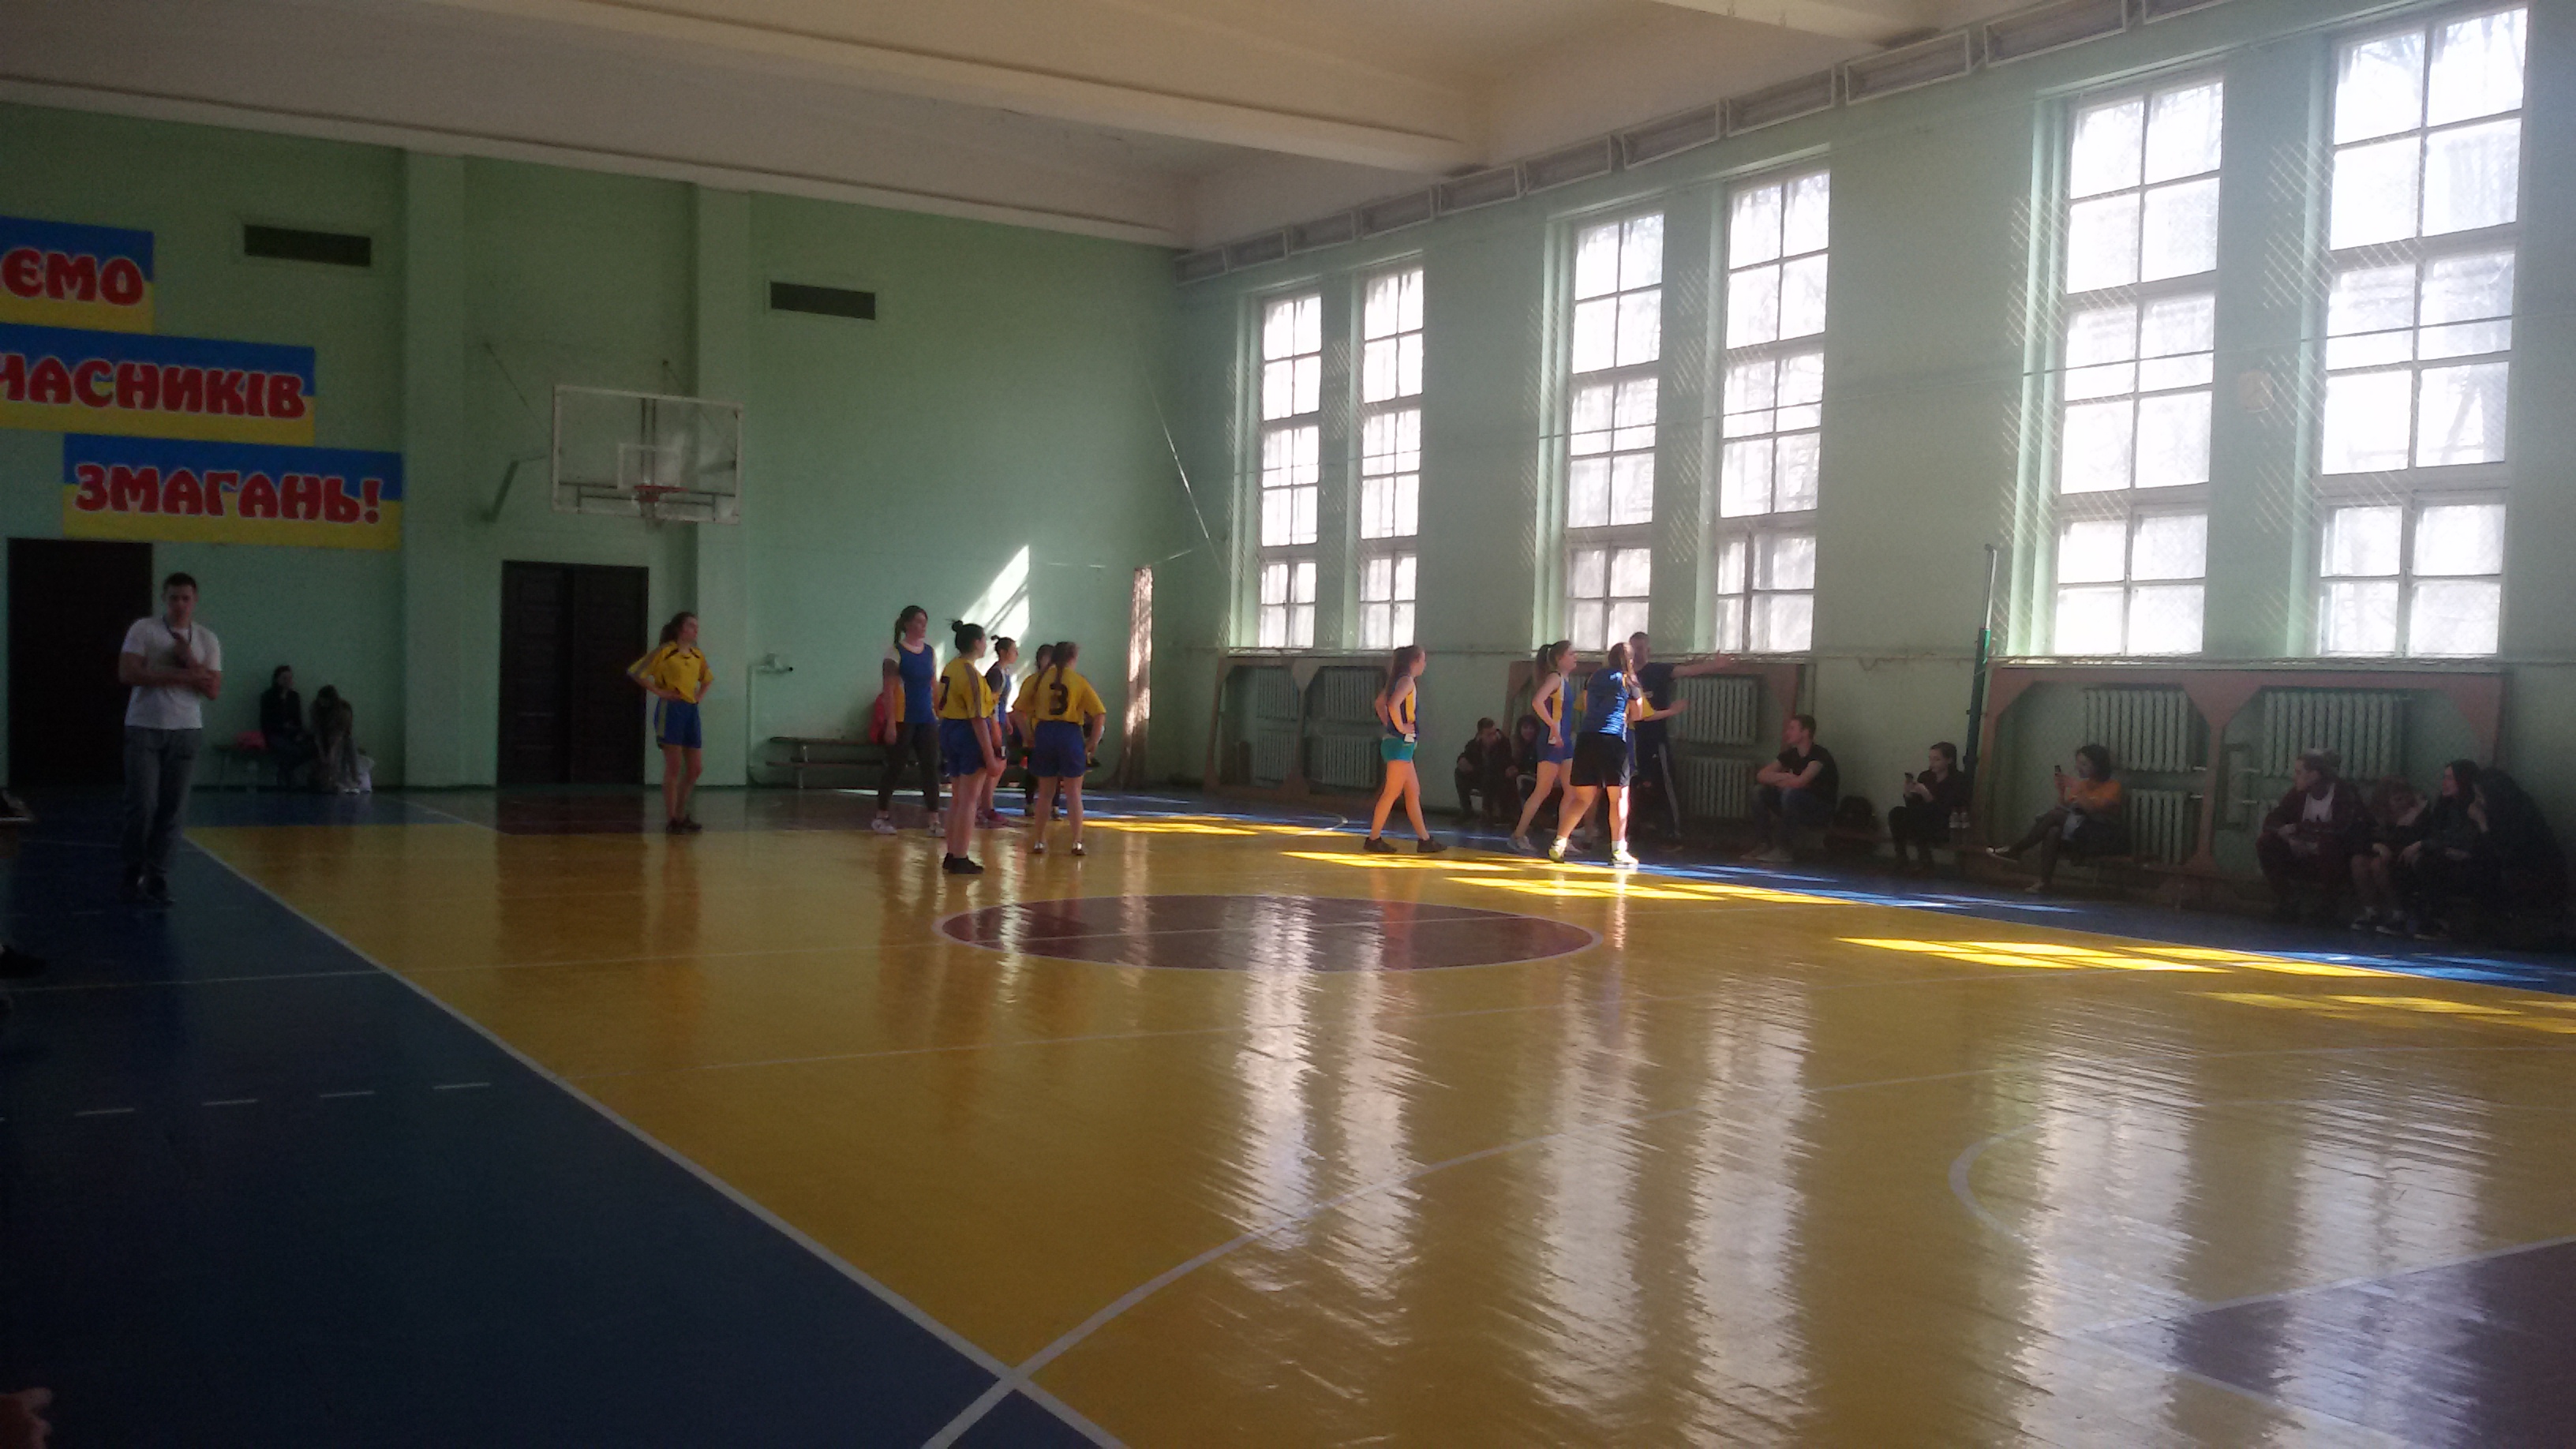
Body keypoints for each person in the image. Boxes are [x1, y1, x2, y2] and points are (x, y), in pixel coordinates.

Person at [118, 571, 221, 906]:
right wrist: (184, 675)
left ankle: (158, 874)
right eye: (174, 598)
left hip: (186, 730)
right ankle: (133, 867)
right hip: (144, 726)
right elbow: (128, 673)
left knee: (173, 807)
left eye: (185, 599)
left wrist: (190, 660)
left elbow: (212, 690)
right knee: (143, 803)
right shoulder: (143, 630)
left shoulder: (206, 639)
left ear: (195, 601)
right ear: (164, 599)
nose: (179, 604)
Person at [1549, 642, 1679, 869]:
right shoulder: (1629, 681)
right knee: (1618, 798)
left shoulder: (1594, 678)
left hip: (1587, 739)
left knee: (1582, 798)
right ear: (1630, 661)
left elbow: (1588, 705)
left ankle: (1559, 843)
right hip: (1613, 741)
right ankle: (1619, 850)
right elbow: (1638, 714)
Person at [1627, 633, 1733, 836]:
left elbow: (1688, 670)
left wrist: (1715, 665)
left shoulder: (1658, 671)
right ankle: (1632, 828)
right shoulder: (1626, 676)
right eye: (1633, 649)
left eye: (1640, 648)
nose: (1637, 653)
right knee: (1633, 783)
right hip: (1632, 738)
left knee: (1665, 782)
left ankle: (1674, 831)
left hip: (1655, 737)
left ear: (1648, 650)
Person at [1986, 743, 2123, 893]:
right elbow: (2064, 809)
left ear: (2098, 765)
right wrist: (2061, 791)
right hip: (2077, 834)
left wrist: (2076, 788)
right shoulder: (2083, 785)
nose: (2078, 767)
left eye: (2084, 764)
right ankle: (2044, 882)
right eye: (2078, 763)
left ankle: (2016, 850)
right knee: (2053, 831)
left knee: (2055, 816)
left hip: (2101, 836)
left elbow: (2092, 810)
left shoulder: (2113, 786)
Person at [2255, 749, 2370, 922]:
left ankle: (2329, 904)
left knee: (2328, 844)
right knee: (2266, 842)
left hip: (2335, 861)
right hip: (2301, 855)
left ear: (2314, 775)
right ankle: (2288, 899)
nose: (2294, 777)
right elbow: (2272, 820)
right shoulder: (2297, 794)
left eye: (2299, 772)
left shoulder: (2344, 793)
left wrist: (2299, 830)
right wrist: (2289, 837)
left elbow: (2342, 829)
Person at [629, 611, 713, 834]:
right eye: (691, 625)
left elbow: (707, 679)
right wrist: (660, 692)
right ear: (679, 629)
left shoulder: (697, 655)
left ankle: (681, 814)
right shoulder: (665, 651)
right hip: (671, 710)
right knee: (674, 766)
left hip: (690, 711)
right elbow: (636, 672)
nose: (696, 630)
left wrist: (699, 697)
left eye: (697, 626)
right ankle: (672, 819)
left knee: (695, 768)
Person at [1026, 640, 1108, 857]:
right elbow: (1099, 713)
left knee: (1045, 793)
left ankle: (1039, 841)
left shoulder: (1039, 680)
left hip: (1045, 733)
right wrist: (1092, 742)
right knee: (1074, 793)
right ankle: (1076, 843)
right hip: (1069, 734)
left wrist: (1027, 735)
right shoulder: (1078, 680)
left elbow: (1017, 710)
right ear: (1073, 658)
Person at [933, 620, 1001, 875]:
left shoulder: (950, 667)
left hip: (949, 729)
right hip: (967, 733)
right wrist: (990, 757)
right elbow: (978, 718)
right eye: (983, 640)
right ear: (976, 642)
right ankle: (960, 855)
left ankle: (952, 852)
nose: (985, 645)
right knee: (970, 799)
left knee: (958, 797)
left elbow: (938, 702)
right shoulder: (970, 674)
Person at [1365, 645, 1446, 855]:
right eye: (1423, 660)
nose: (1425, 664)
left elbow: (1380, 703)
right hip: (1400, 745)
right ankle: (1373, 839)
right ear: (1415, 661)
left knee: (1413, 791)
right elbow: (1392, 705)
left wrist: (1391, 725)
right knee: (1391, 793)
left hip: (1401, 745)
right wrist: (1400, 728)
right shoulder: (1407, 681)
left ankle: (1425, 839)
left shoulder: (1397, 680)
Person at [2395, 760, 2488, 938]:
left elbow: (2464, 839)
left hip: (2470, 863)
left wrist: (2425, 845)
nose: (2444, 783)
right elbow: (2433, 833)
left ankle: (2438, 920)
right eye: (2444, 778)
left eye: (2450, 779)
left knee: (2428, 864)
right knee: (2405, 857)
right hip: (2444, 854)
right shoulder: (2445, 805)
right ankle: (2402, 915)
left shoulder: (2473, 807)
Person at [874, 606, 942, 836]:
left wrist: (940, 713)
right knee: (896, 766)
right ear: (907, 624)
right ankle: (881, 816)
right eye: (919, 622)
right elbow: (889, 691)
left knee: (930, 767)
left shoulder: (930, 652)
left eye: (925, 622)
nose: (923, 627)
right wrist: (890, 724)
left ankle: (934, 820)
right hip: (903, 719)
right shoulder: (895, 653)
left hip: (926, 718)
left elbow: (933, 685)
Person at [1508, 641, 1578, 855]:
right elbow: (1537, 702)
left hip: (1564, 742)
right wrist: (1553, 728)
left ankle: (1562, 838)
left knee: (1572, 790)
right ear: (1559, 659)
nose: (1575, 657)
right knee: (1542, 790)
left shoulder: (1565, 680)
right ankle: (1518, 835)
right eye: (1571, 654)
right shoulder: (1555, 678)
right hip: (1552, 742)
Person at [1747, 714, 1837, 864]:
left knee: (1790, 793)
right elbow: (1761, 775)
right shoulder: (1790, 754)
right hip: (1792, 804)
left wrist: (1783, 781)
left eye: (1792, 728)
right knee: (1758, 791)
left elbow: (1801, 782)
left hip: (1819, 810)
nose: (1787, 732)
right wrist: (1786, 777)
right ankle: (1764, 843)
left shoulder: (1820, 756)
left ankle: (1784, 848)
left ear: (1805, 732)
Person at [2350, 776, 2428, 933]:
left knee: (2378, 865)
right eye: (2397, 799)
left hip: (2403, 860)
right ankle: (2371, 911)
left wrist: (2405, 823)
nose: (2403, 803)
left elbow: (2407, 842)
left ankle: (2398, 913)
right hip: (2380, 855)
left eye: (2406, 798)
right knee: (2358, 861)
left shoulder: (2416, 816)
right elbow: (2357, 840)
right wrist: (2375, 846)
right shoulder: (2374, 818)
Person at [1888, 741, 1973, 874]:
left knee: (1919, 817)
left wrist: (1927, 795)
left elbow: (1946, 810)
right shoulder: (1926, 776)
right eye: (1930, 759)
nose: (1932, 763)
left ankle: (1925, 859)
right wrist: (1908, 793)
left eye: (1937, 759)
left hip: (1945, 824)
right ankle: (1902, 857)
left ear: (1949, 760)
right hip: (1922, 819)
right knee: (1897, 813)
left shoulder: (1958, 780)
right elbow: (1913, 806)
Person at [981, 636, 1020, 828]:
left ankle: (985, 806)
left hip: (1001, 722)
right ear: (1003, 652)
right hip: (994, 724)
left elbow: (1002, 703)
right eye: (1013, 650)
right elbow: (990, 703)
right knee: (996, 764)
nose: (1017, 654)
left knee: (1000, 764)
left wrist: (1008, 721)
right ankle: (986, 808)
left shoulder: (1006, 672)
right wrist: (994, 726)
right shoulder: (996, 674)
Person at [259, 665, 313, 788]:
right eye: (284, 678)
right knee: (289, 749)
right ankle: (287, 774)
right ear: (277, 679)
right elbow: (265, 721)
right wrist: (282, 725)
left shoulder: (294, 696)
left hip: (293, 732)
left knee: (311, 747)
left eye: (290, 678)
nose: (288, 681)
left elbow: (298, 719)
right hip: (274, 733)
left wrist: (299, 732)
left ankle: (285, 770)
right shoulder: (268, 696)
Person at [1453, 717, 1515, 824]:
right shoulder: (1474, 745)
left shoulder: (1503, 743)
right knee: (1459, 773)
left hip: (1498, 777)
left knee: (1490, 777)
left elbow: (1502, 764)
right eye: (1489, 735)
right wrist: (1462, 761)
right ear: (1481, 735)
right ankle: (1467, 810)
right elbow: (1466, 755)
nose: (1493, 737)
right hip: (1480, 775)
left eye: (1494, 733)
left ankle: (1491, 813)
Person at [310, 686, 364, 793]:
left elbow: (340, 733)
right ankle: (335, 781)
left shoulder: (343, 709)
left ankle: (353, 778)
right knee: (340, 750)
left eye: (325, 701)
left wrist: (332, 751)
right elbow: (317, 732)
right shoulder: (316, 708)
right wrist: (322, 753)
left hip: (340, 738)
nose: (322, 704)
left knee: (349, 743)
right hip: (324, 739)